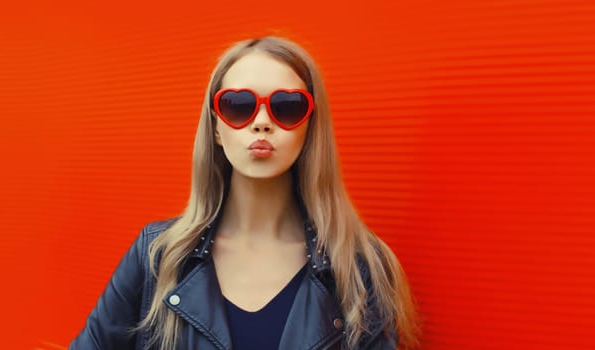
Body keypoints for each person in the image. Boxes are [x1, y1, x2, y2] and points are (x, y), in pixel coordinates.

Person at [70, 36, 419, 350]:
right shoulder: (157, 256)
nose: (262, 121)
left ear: (310, 127)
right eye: (238, 105)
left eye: (287, 106)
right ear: (217, 128)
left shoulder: (358, 268)